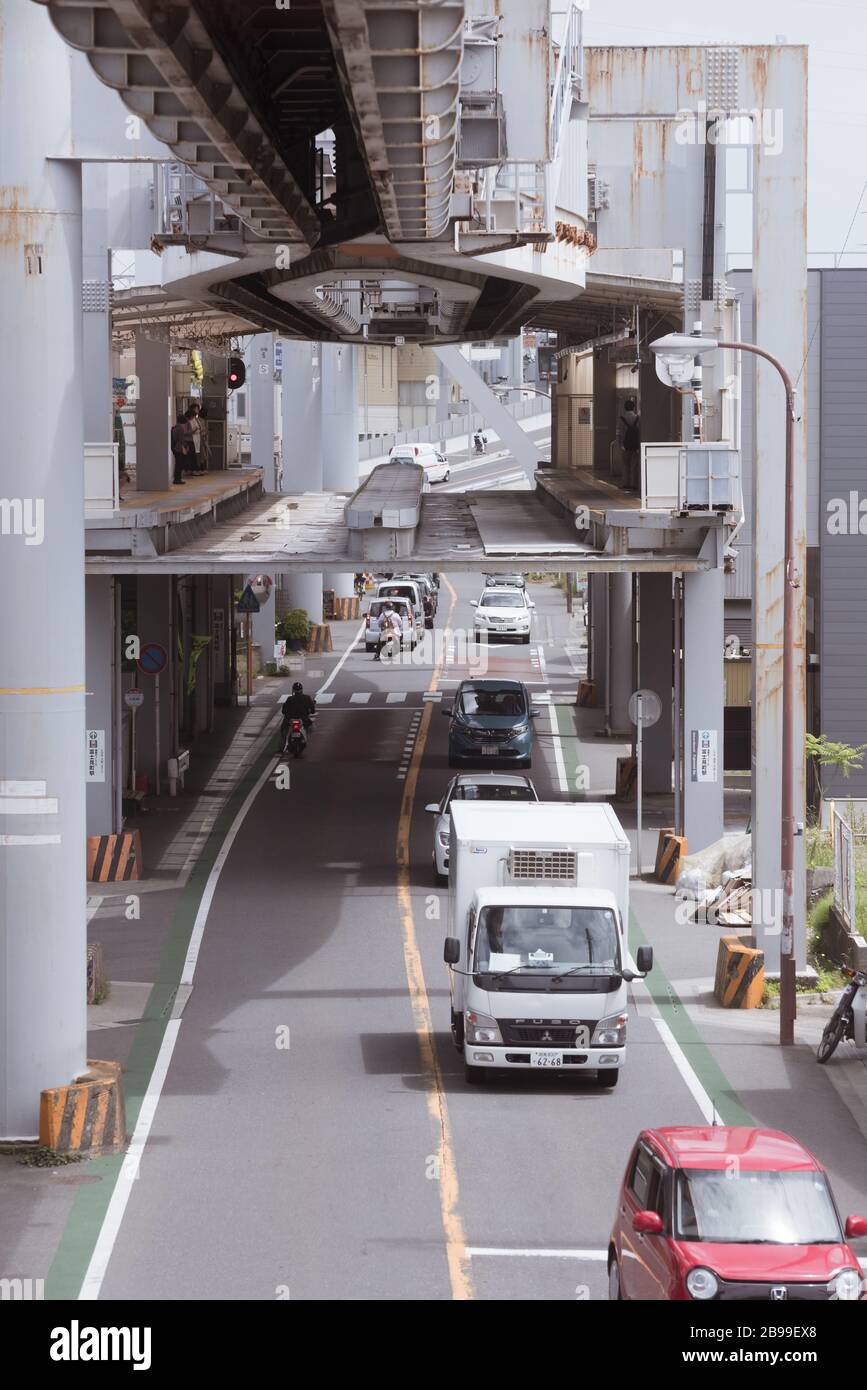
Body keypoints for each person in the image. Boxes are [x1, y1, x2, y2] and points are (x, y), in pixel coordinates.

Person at [280, 681, 316, 748]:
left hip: (290, 720)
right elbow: (313, 710)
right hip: (303, 719)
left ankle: (281, 748)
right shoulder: (307, 698)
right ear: (302, 689)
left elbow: (284, 710)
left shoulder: (290, 699)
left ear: (293, 690)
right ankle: (304, 738)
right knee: (312, 728)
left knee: (283, 730)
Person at [618, 397, 641, 492]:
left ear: (624, 407)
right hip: (635, 445)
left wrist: (620, 443)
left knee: (625, 465)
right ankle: (634, 484)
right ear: (634, 407)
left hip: (625, 445)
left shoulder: (622, 418)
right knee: (634, 465)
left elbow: (619, 432)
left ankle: (625, 483)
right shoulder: (637, 418)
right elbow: (639, 431)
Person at [170, 410, 193, 485]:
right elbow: (181, 439)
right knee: (179, 464)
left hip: (175, 447)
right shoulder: (180, 428)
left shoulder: (175, 427)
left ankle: (177, 478)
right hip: (179, 448)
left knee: (178, 463)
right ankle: (177, 479)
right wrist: (186, 446)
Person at [187, 401, 205, 473]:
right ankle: (195, 469)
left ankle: (198, 468)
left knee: (199, 454)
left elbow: (199, 428)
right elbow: (192, 430)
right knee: (195, 454)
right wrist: (197, 430)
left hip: (198, 438)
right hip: (194, 438)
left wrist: (202, 430)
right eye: (196, 409)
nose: (198, 411)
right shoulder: (190, 420)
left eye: (198, 409)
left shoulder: (197, 419)